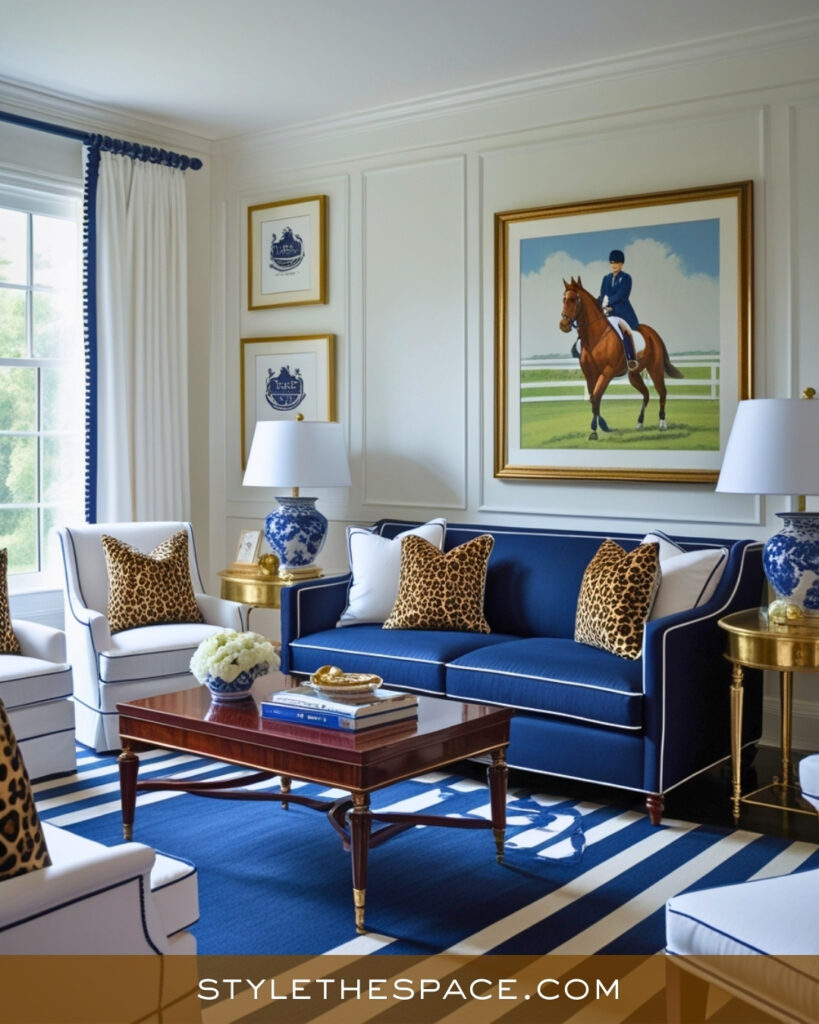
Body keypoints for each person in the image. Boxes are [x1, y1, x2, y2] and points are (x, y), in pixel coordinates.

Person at [598, 249, 639, 371]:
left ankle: (631, 359)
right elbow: (602, 294)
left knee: (624, 331)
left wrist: (608, 302)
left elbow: (622, 295)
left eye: (617, 262)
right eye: (612, 263)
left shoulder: (626, 278)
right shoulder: (606, 278)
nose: (614, 265)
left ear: (622, 264)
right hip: (608, 313)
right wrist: (599, 302)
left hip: (622, 313)